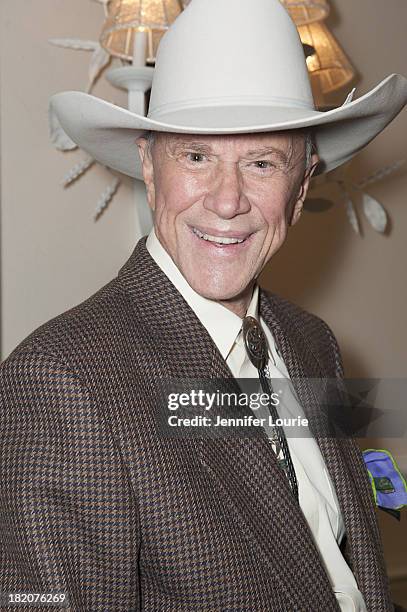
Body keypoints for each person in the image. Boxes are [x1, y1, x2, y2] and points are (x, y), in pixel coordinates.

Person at [1, 0, 406, 610]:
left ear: (301, 187)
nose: (226, 201)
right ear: (149, 165)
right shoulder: (59, 382)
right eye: (196, 157)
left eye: (263, 163)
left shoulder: (312, 340)